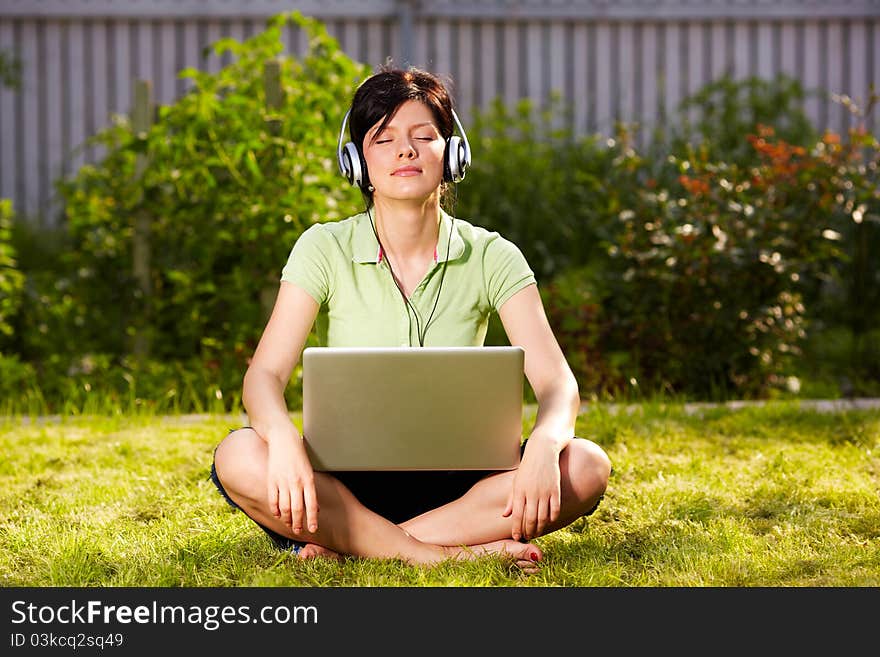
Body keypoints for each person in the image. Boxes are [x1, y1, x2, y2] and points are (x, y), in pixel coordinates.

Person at [210, 65, 611, 573]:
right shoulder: (323, 248)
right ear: (356, 161)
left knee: (586, 465)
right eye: (384, 139)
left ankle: (360, 544)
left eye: (425, 136)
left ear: (453, 155)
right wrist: (285, 439)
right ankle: (438, 556)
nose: (406, 150)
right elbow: (263, 377)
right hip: (346, 479)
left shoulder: (493, 255)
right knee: (240, 454)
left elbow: (557, 384)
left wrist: (547, 442)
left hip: (465, 485)